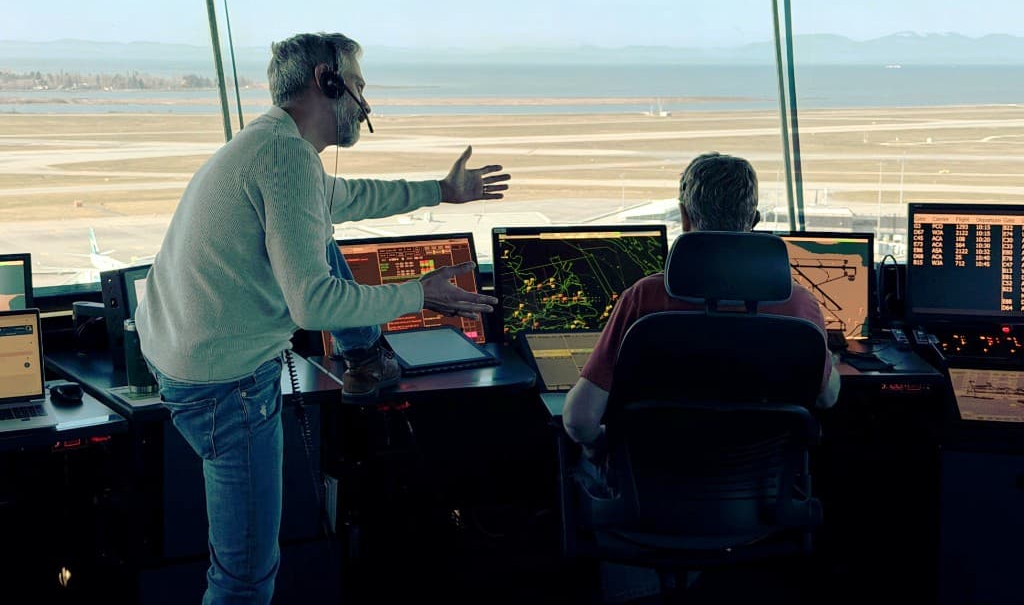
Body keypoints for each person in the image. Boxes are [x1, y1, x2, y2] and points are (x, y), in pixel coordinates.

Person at [135, 31, 509, 604]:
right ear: (325, 81)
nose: (365, 102)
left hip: (182, 356)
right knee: (243, 578)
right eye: (357, 85)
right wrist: (419, 294)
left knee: (321, 238)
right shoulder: (286, 157)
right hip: (227, 385)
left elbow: (347, 198)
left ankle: (363, 354)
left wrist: (441, 190)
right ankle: (366, 354)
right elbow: (313, 305)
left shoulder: (269, 143)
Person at [561, 152, 839, 603]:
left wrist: (600, 446)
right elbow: (827, 398)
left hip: (646, 505)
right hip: (754, 505)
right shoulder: (799, 305)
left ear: (685, 218)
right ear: (754, 221)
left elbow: (578, 421)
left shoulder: (645, 299)